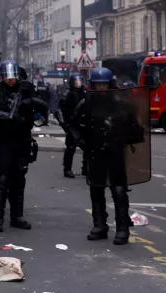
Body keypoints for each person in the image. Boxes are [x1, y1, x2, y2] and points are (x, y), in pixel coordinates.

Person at [75, 68, 144, 245]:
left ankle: (122, 228)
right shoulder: (87, 104)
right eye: (97, 84)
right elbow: (74, 125)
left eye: (104, 84)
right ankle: (99, 225)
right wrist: (82, 142)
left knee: (119, 189)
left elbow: (137, 129)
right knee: (96, 188)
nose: (101, 88)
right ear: (92, 85)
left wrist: (124, 137)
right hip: (95, 151)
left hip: (115, 151)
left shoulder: (123, 104)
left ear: (110, 84)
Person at [0, 60, 45, 233]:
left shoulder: (26, 88)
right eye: (7, 76)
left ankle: (17, 216)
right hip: (3, 139)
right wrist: (4, 115)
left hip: (21, 139)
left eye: (13, 75)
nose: (10, 79)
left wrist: (31, 102)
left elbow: (43, 108)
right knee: (2, 179)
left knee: (19, 179)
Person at [59, 73, 87, 178]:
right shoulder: (68, 94)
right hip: (72, 124)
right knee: (70, 148)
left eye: (80, 81)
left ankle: (85, 168)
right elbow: (61, 111)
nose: (78, 83)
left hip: (83, 124)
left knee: (87, 147)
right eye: (76, 81)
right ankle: (67, 169)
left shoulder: (85, 94)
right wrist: (65, 124)